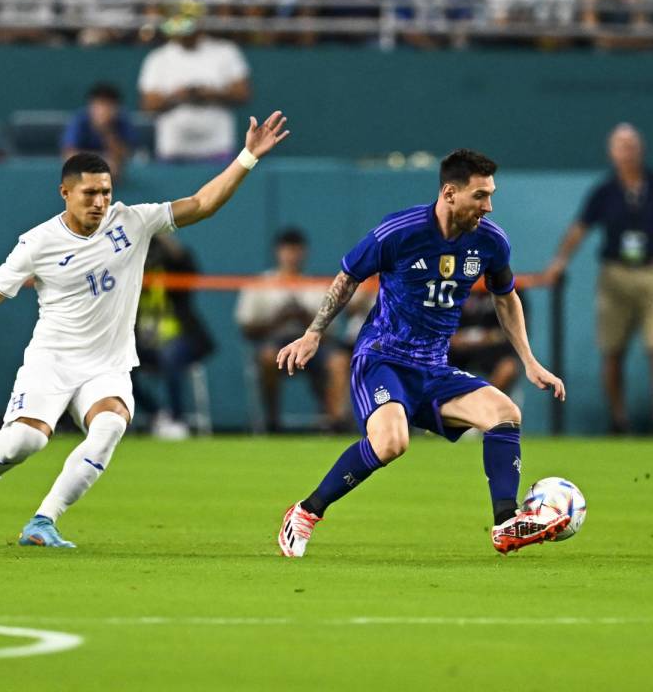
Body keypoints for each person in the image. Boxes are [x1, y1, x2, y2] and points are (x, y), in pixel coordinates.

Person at [0, 110, 290, 548]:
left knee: (110, 427)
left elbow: (203, 203)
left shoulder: (132, 221)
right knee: (26, 440)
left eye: (105, 192)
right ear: (64, 193)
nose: (99, 201)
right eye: (89, 193)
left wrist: (247, 157)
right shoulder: (37, 243)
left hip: (108, 365)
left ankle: (43, 521)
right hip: (52, 361)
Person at [274, 149, 567, 558]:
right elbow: (347, 278)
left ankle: (505, 523)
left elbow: (505, 297)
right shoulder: (399, 231)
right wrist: (313, 333)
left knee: (504, 413)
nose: (489, 206)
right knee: (392, 442)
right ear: (450, 193)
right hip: (383, 359)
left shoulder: (491, 241)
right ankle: (305, 512)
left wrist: (530, 362)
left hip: (433, 367)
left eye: (490, 195)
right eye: (480, 196)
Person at [544, 123, 653, 434]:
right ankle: (618, 422)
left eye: (631, 145)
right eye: (620, 146)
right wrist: (559, 261)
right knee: (612, 350)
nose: (627, 152)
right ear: (611, 152)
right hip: (614, 274)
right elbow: (580, 228)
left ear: (641, 149)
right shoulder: (604, 191)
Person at [235, 228, 350, 433]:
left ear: (304, 252)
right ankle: (272, 421)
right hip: (276, 342)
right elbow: (246, 328)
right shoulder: (261, 284)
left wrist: (306, 319)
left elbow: (332, 331)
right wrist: (279, 318)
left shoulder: (316, 285)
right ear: (278, 252)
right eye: (287, 250)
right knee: (268, 357)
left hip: (312, 347)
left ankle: (335, 422)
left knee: (339, 360)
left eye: (296, 250)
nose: (292, 256)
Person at [138, 2, 251, 162]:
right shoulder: (158, 58)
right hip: (174, 149)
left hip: (217, 147)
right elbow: (148, 104)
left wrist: (211, 93)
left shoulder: (226, 51)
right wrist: (177, 96)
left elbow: (242, 93)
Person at [132, 233, 215, 440]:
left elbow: (186, 263)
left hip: (180, 339)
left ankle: (178, 418)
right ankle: (158, 414)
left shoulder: (173, 266)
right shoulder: (131, 274)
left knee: (171, 355)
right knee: (117, 363)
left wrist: (161, 234)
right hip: (143, 342)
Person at [61, 82, 138, 179]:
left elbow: (124, 156)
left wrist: (106, 131)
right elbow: (69, 154)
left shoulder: (123, 121)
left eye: (108, 105)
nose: (103, 110)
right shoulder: (80, 120)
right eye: (99, 104)